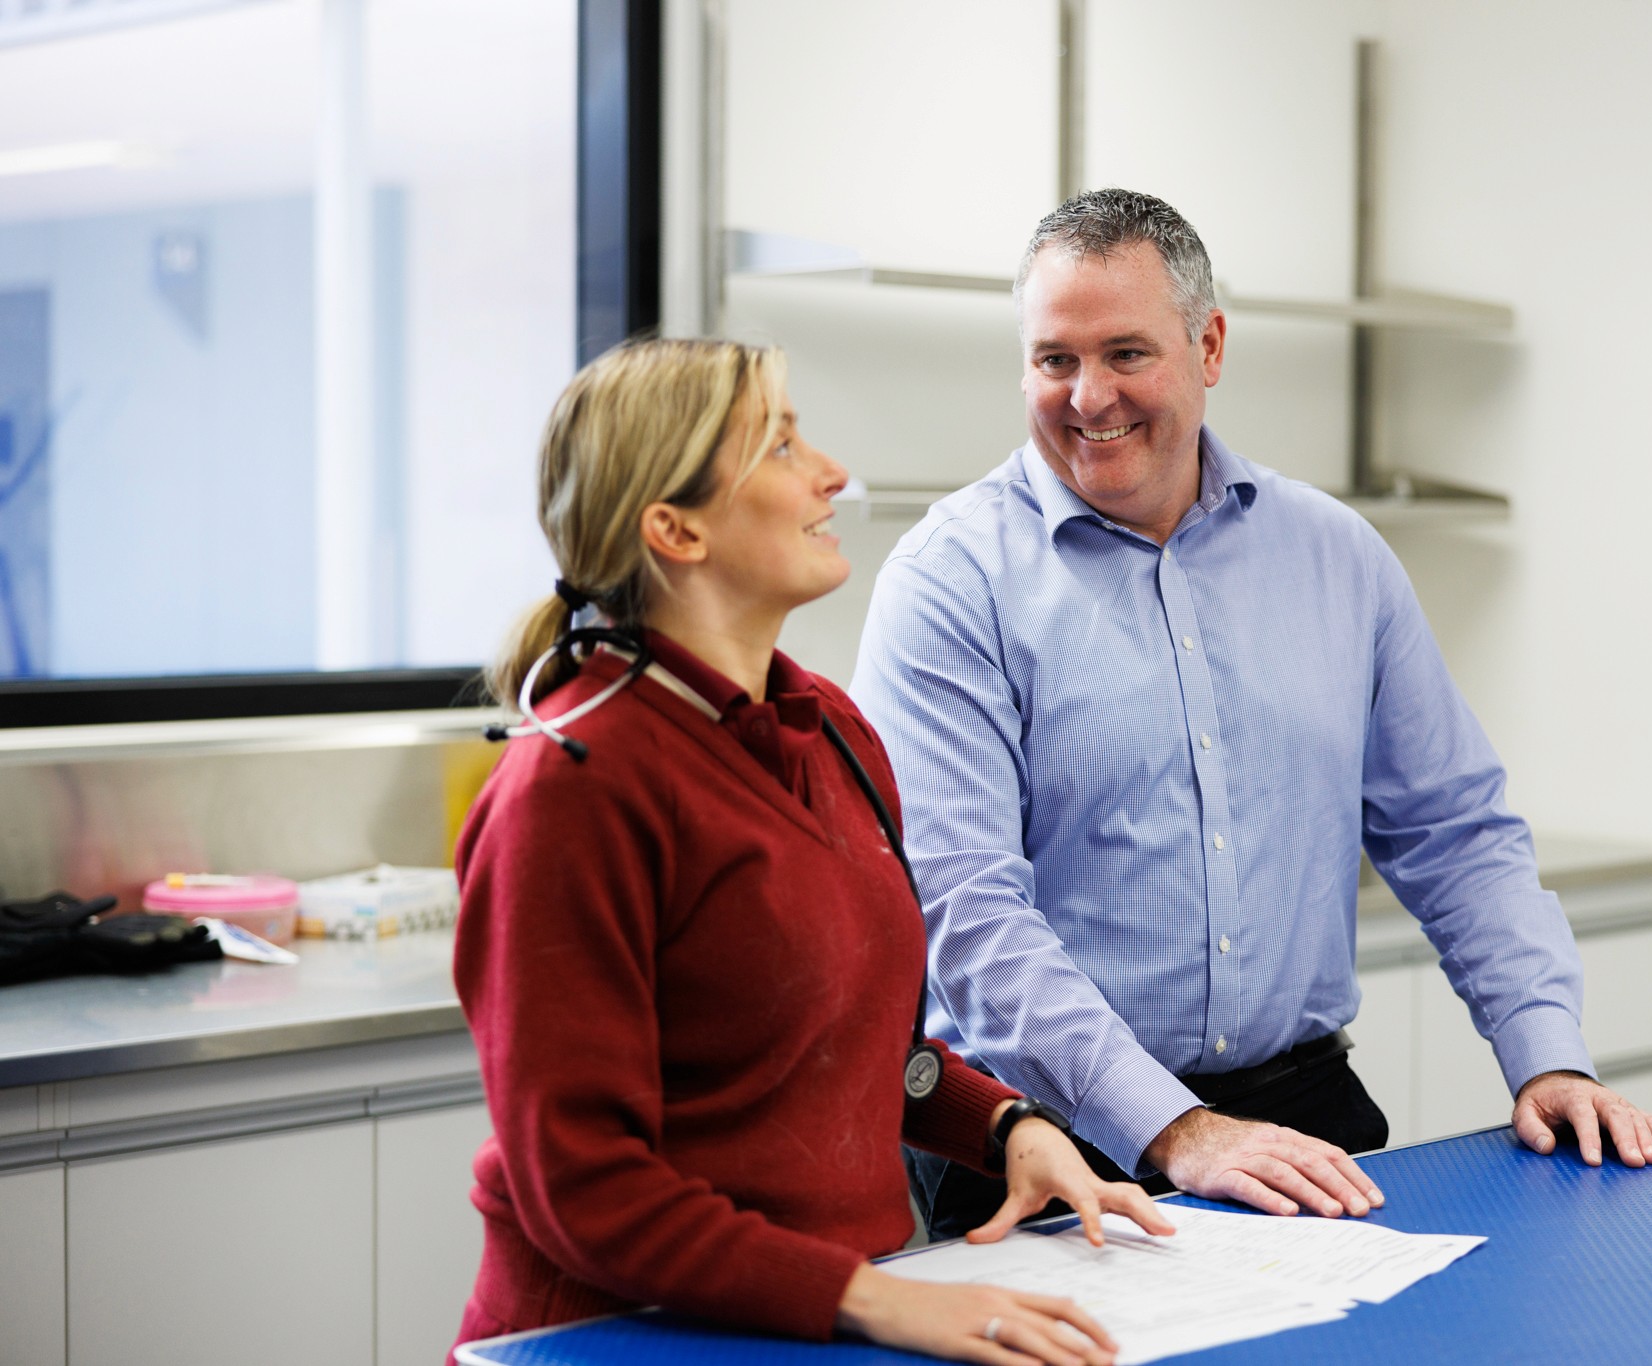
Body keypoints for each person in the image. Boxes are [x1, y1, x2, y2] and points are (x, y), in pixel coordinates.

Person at [850, 189, 1652, 1242]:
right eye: (1053, 359)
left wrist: (1546, 1051)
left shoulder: (1336, 558)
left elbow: (1453, 834)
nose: (1087, 394)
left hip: (1300, 1117)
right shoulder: (947, 582)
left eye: (1124, 353)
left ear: (1209, 345)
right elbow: (968, 914)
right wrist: (1176, 1129)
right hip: (1041, 1144)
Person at [449, 337, 1172, 1366]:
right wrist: (871, 1298)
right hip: (621, 1335)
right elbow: (585, 1184)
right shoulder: (571, 788)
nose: (831, 472)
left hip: (817, 1318)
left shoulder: (829, 727)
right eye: (780, 444)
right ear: (675, 528)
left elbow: (847, 1048)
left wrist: (1008, 1127)